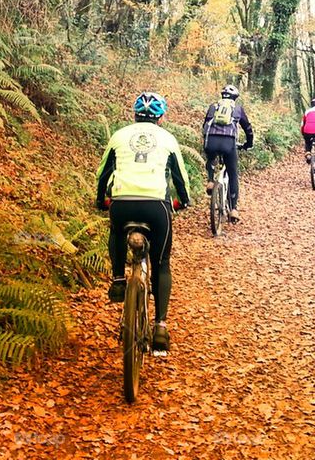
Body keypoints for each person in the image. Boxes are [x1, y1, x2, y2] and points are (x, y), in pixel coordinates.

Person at [96, 92, 190, 354]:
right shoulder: (168, 139)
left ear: (135, 115)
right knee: (162, 263)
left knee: (116, 230)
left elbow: (103, 173)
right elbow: (180, 177)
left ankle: (118, 279)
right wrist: (183, 201)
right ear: (161, 118)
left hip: (122, 203)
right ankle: (160, 326)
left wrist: (101, 199)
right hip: (156, 207)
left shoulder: (119, 135)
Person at [202, 84, 254, 222]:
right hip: (228, 143)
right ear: (235, 97)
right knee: (232, 173)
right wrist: (248, 144)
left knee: (211, 158)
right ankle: (234, 209)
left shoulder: (213, 107)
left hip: (211, 141)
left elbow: (205, 125)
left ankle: (210, 180)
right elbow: (248, 128)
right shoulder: (237, 109)